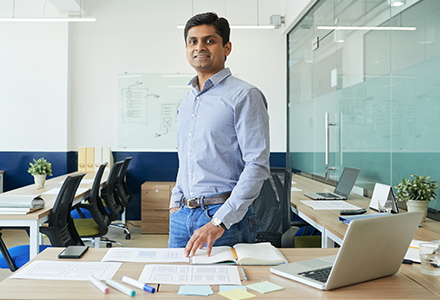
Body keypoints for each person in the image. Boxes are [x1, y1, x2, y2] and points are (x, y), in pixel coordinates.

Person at [168, 12, 270, 258]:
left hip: (223, 219)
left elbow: (257, 164)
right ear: (186, 49)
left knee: (226, 292)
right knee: (175, 288)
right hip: (182, 216)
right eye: (193, 41)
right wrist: (175, 202)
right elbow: (186, 158)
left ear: (227, 47)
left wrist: (219, 222)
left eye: (209, 41)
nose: (199, 47)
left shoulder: (244, 95)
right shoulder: (188, 99)